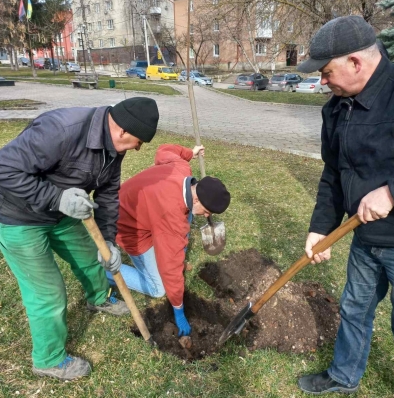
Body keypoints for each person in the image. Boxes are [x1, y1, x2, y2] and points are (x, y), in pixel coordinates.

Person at [0, 97, 159, 381]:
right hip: (18, 217)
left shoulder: (114, 148)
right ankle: (48, 359)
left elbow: (109, 193)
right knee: (47, 293)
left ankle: (99, 298)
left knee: (91, 258)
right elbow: (4, 169)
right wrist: (57, 198)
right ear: (122, 130)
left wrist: (109, 240)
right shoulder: (60, 129)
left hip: (62, 215)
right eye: (138, 142)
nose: (138, 148)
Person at [296, 15, 394, 394]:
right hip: (364, 238)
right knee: (354, 309)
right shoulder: (337, 108)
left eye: (326, 72)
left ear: (356, 62)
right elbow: (333, 174)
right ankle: (344, 375)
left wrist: (392, 193)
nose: (322, 81)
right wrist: (320, 227)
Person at [107, 144, 230, 336]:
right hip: (127, 226)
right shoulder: (171, 219)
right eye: (207, 211)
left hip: (132, 203)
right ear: (197, 199)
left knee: (185, 218)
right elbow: (170, 266)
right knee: (157, 288)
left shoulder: (181, 169)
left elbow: (164, 150)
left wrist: (191, 153)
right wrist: (178, 309)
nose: (206, 216)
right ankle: (103, 270)